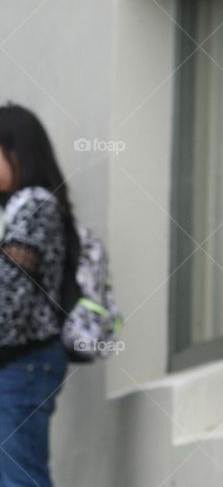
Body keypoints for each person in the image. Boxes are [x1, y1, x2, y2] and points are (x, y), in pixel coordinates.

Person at [0, 104, 80, 487]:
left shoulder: (34, 206)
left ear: (16, 152)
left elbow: (10, 297)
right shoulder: (19, 208)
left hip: (24, 362)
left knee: (19, 478)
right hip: (21, 361)